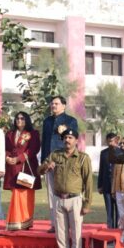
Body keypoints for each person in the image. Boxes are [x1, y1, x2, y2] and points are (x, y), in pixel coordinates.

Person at [38, 128, 93, 248]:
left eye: (70, 137)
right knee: (61, 237)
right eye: (65, 138)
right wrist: (47, 167)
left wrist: (87, 203)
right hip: (58, 199)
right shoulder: (55, 155)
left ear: (76, 140)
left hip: (75, 200)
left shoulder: (83, 158)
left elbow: (88, 182)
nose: (67, 140)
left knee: (76, 236)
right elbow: (39, 170)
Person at [41, 95, 79, 233]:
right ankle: (54, 224)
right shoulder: (47, 121)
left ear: (64, 105)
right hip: (49, 161)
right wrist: (44, 162)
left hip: (64, 161)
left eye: (56, 104)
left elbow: (74, 141)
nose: (53, 106)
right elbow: (44, 142)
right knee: (51, 194)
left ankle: (68, 224)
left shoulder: (71, 121)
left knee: (66, 192)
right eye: (52, 104)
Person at [3, 111, 41, 231]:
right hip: (13, 168)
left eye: (22, 118)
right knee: (16, 194)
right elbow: (6, 148)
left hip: (26, 168)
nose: (19, 120)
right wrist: (7, 157)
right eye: (17, 118)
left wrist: (19, 158)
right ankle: (15, 221)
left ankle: (25, 221)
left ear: (27, 120)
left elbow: (34, 149)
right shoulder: (10, 133)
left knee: (25, 194)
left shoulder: (33, 133)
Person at [98, 132, 119, 229]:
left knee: (119, 212)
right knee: (109, 212)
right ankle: (110, 232)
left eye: (112, 141)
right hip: (106, 186)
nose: (110, 143)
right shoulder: (103, 153)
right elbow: (101, 169)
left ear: (116, 141)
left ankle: (118, 233)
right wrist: (100, 185)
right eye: (108, 141)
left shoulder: (122, 153)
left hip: (118, 188)